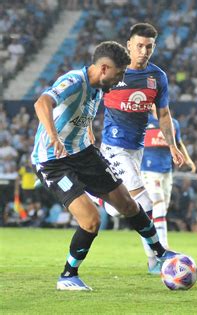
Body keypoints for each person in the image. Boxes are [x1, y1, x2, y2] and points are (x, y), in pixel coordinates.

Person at [31, 41, 175, 291]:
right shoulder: (74, 80)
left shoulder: (100, 88)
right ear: (105, 69)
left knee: (129, 204)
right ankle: (68, 276)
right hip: (53, 161)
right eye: (120, 74)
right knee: (91, 221)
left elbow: (81, 114)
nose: (121, 80)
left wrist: (86, 132)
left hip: (84, 154)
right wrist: (53, 136)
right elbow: (42, 103)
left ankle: (160, 253)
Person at [98, 23, 185, 274]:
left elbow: (165, 114)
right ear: (128, 45)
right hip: (114, 147)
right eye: (139, 46)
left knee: (118, 208)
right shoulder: (114, 72)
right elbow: (92, 96)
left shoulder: (157, 77)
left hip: (137, 150)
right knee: (145, 200)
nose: (144, 51)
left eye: (149, 46)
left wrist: (172, 145)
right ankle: (156, 257)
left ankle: (101, 198)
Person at [141, 113, 196, 248]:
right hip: (148, 170)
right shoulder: (144, 121)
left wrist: (188, 160)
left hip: (166, 171)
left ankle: (151, 241)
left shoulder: (173, 123)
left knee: (162, 209)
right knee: (157, 204)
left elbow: (178, 143)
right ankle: (163, 247)